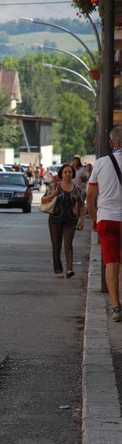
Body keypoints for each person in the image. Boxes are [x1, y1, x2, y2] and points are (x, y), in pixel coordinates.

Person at [86, 126, 122, 322]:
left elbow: (90, 195)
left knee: (111, 262)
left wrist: (93, 217)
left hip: (106, 219)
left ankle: (116, 307)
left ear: (110, 143)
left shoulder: (100, 163)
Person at [40, 163, 85, 278]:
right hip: (55, 219)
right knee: (56, 244)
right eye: (65, 172)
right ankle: (58, 270)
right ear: (61, 174)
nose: (67, 174)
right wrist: (53, 195)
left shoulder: (77, 189)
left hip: (70, 219)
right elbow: (43, 199)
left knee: (68, 244)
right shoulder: (54, 186)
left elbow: (81, 204)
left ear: (72, 174)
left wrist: (82, 219)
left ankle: (69, 269)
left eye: (69, 172)